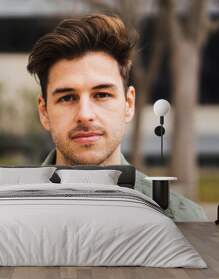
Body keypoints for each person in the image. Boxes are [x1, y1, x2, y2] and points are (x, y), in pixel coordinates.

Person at [26, 14, 207, 221]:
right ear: (44, 112)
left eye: (102, 95)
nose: (85, 115)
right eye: (67, 97)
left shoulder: (183, 219)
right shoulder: (0, 216)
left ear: (128, 104)